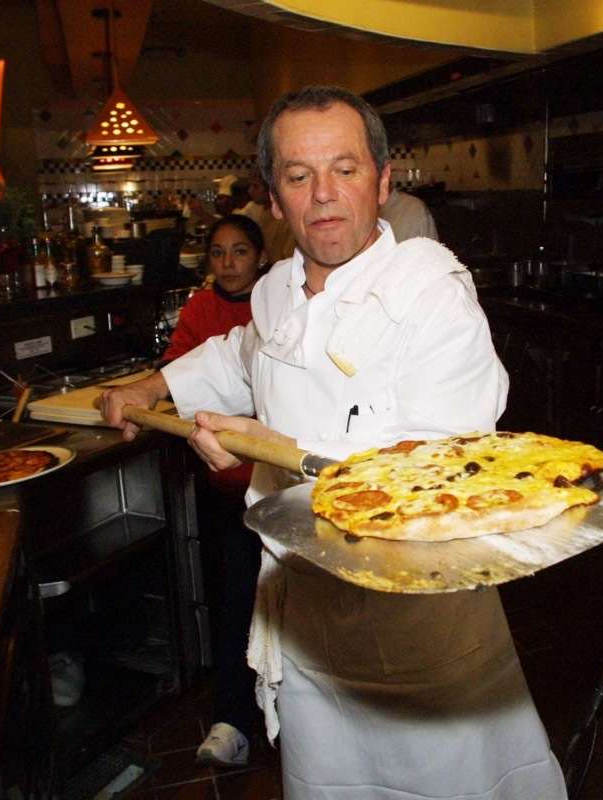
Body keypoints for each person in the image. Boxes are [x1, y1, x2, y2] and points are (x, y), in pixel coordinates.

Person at [101, 85, 567, 799]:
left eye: (345, 169)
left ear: (382, 182)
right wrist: (152, 386)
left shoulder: (433, 295)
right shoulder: (277, 289)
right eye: (299, 175)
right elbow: (238, 355)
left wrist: (269, 446)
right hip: (310, 629)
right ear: (274, 196)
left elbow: (445, 466)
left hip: (419, 633)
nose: (323, 195)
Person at [160, 213, 269, 768]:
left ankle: (289, 720)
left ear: (261, 256)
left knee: (284, 611)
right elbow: (182, 367)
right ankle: (233, 719)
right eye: (218, 253)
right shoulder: (201, 309)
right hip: (226, 489)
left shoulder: (278, 304)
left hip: (275, 488)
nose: (229, 264)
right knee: (237, 604)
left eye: (240, 252)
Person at [237, 164, 296, 263]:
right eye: (250, 186)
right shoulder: (260, 212)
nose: (250, 191)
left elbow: (288, 259)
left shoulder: (284, 219)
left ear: (270, 189)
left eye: (255, 186)